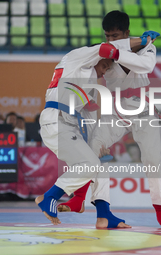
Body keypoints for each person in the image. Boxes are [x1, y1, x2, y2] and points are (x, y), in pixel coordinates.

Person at [58, 11, 161, 228]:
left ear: (126, 33)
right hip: (115, 110)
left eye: (115, 35)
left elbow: (146, 67)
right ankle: (78, 198)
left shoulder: (147, 47)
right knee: (92, 148)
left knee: (152, 159)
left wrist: (128, 47)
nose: (111, 40)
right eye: (108, 37)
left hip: (143, 110)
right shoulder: (105, 52)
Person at [35, 39, 117, 226]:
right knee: (90, 163)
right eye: (104, 65)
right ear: (95, 56)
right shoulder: (76, 57)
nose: (104, 71)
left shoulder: (87, 82)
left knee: (97, 163)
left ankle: (99, 212)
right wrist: (140, 43)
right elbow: (105, 48)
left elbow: (89, 118)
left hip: (68, 123)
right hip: (57, 120)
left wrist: (98, 143)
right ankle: (50, 197)